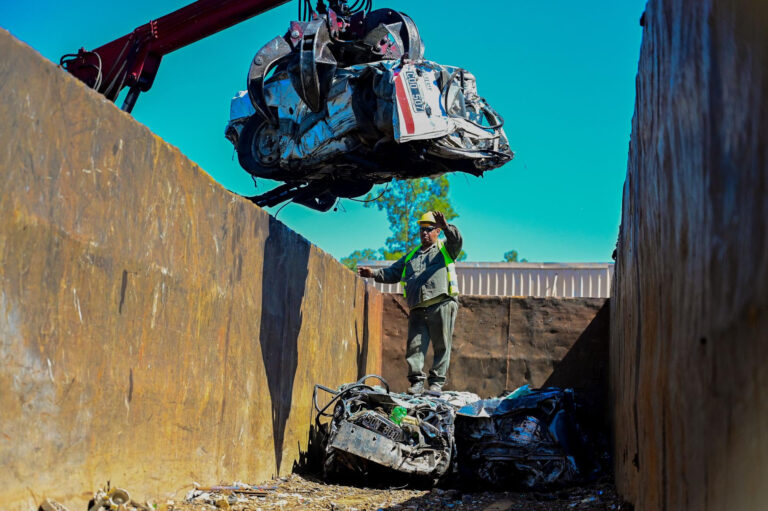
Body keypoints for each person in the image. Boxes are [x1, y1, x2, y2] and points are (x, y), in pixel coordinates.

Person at [358, 211, 462, 394]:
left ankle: (436, 383)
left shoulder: (445, 249)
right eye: (422, 229)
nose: (424, 233)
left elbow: (456, 241)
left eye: (429, 229)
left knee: (442, 345)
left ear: (437, 231)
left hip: (441, 303)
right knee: (414, 347)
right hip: (417, 308)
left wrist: (446, 227)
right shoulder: (411, 256)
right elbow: (392, 272)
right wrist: (372, 274)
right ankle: (416, 382)